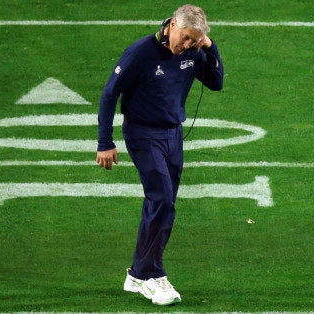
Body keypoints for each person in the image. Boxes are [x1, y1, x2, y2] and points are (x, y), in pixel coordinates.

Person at [96, 4, 223, 306]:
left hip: (173, 135)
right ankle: (151, 275)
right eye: (186, 38)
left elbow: (216, 83)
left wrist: (210, 47)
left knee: (165, 205)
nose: (188, 45)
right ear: (172, 26)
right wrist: (105, 142)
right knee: (162, 199)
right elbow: (109, 93)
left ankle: (139, 275)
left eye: (195, 40)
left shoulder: (193, 52)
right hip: (142, 133)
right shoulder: (140, 53)